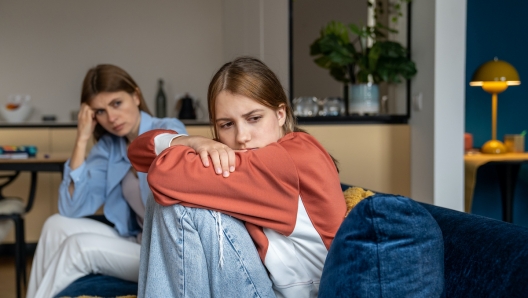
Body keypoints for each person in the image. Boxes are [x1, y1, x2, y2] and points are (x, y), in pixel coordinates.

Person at [128, 56, 346, 297]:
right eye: (227, 125)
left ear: (281, 113)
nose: (242, 136)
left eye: (254, 118)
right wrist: (190, 140)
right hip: (271, 286)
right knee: (171, 198)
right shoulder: (246, 158)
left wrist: (187, 148)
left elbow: (163, 177)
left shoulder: (291, 159)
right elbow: (137, 153)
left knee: (177, 204)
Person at [27, 64, 187, 298]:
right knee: (55, 225)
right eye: (100, 111)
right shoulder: (109, 148)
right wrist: (81, 139)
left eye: (116, 103)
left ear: (135, 95)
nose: (111, 118)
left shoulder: (167, 129)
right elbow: (70, 208)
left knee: (77, 247)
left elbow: (175, 146)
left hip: (163, 253)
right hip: (134, 240)